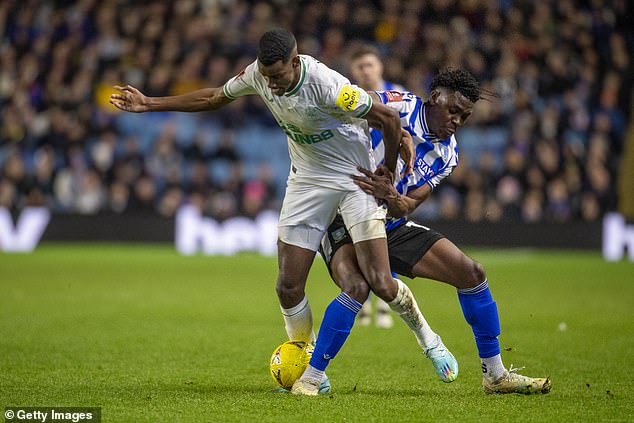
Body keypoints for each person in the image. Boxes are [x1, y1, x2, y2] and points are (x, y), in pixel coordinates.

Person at [110, 28, 447, 396]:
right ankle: (307, 362)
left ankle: (429, 339)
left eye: (278, 76)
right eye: (266, 77)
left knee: (380, 282)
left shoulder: (330, 85)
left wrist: (388, 167)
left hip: (356, 180)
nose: (270, 85)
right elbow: (212, 98)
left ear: (296, 62)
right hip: (307, 182)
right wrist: (149, 103)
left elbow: (389, 118)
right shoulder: (257, 73)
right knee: (287, 286)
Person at [318, 68, 551, 395]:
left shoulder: (448, 154)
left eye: (464, 117)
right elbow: (355, 106)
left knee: (472, 273)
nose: (456, 121)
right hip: (341, 216)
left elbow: (409, 206)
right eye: (453, 111)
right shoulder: (398, 104)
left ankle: (495, 375)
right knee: (357, 288)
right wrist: (398, 134)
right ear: (435, 98)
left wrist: (393, 196)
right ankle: (312, 374)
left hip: (390, 223)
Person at [348, 44, 407, 329]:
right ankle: (361, 299)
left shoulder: (398, 97)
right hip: (359, 178)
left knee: (385, 238)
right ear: (352, 70)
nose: (365, 70)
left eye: (370, 64)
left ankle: (384, 304)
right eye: (360, 66)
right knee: (358, 241)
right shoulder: (349, 98)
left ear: (380, 67)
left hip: (390, 179)